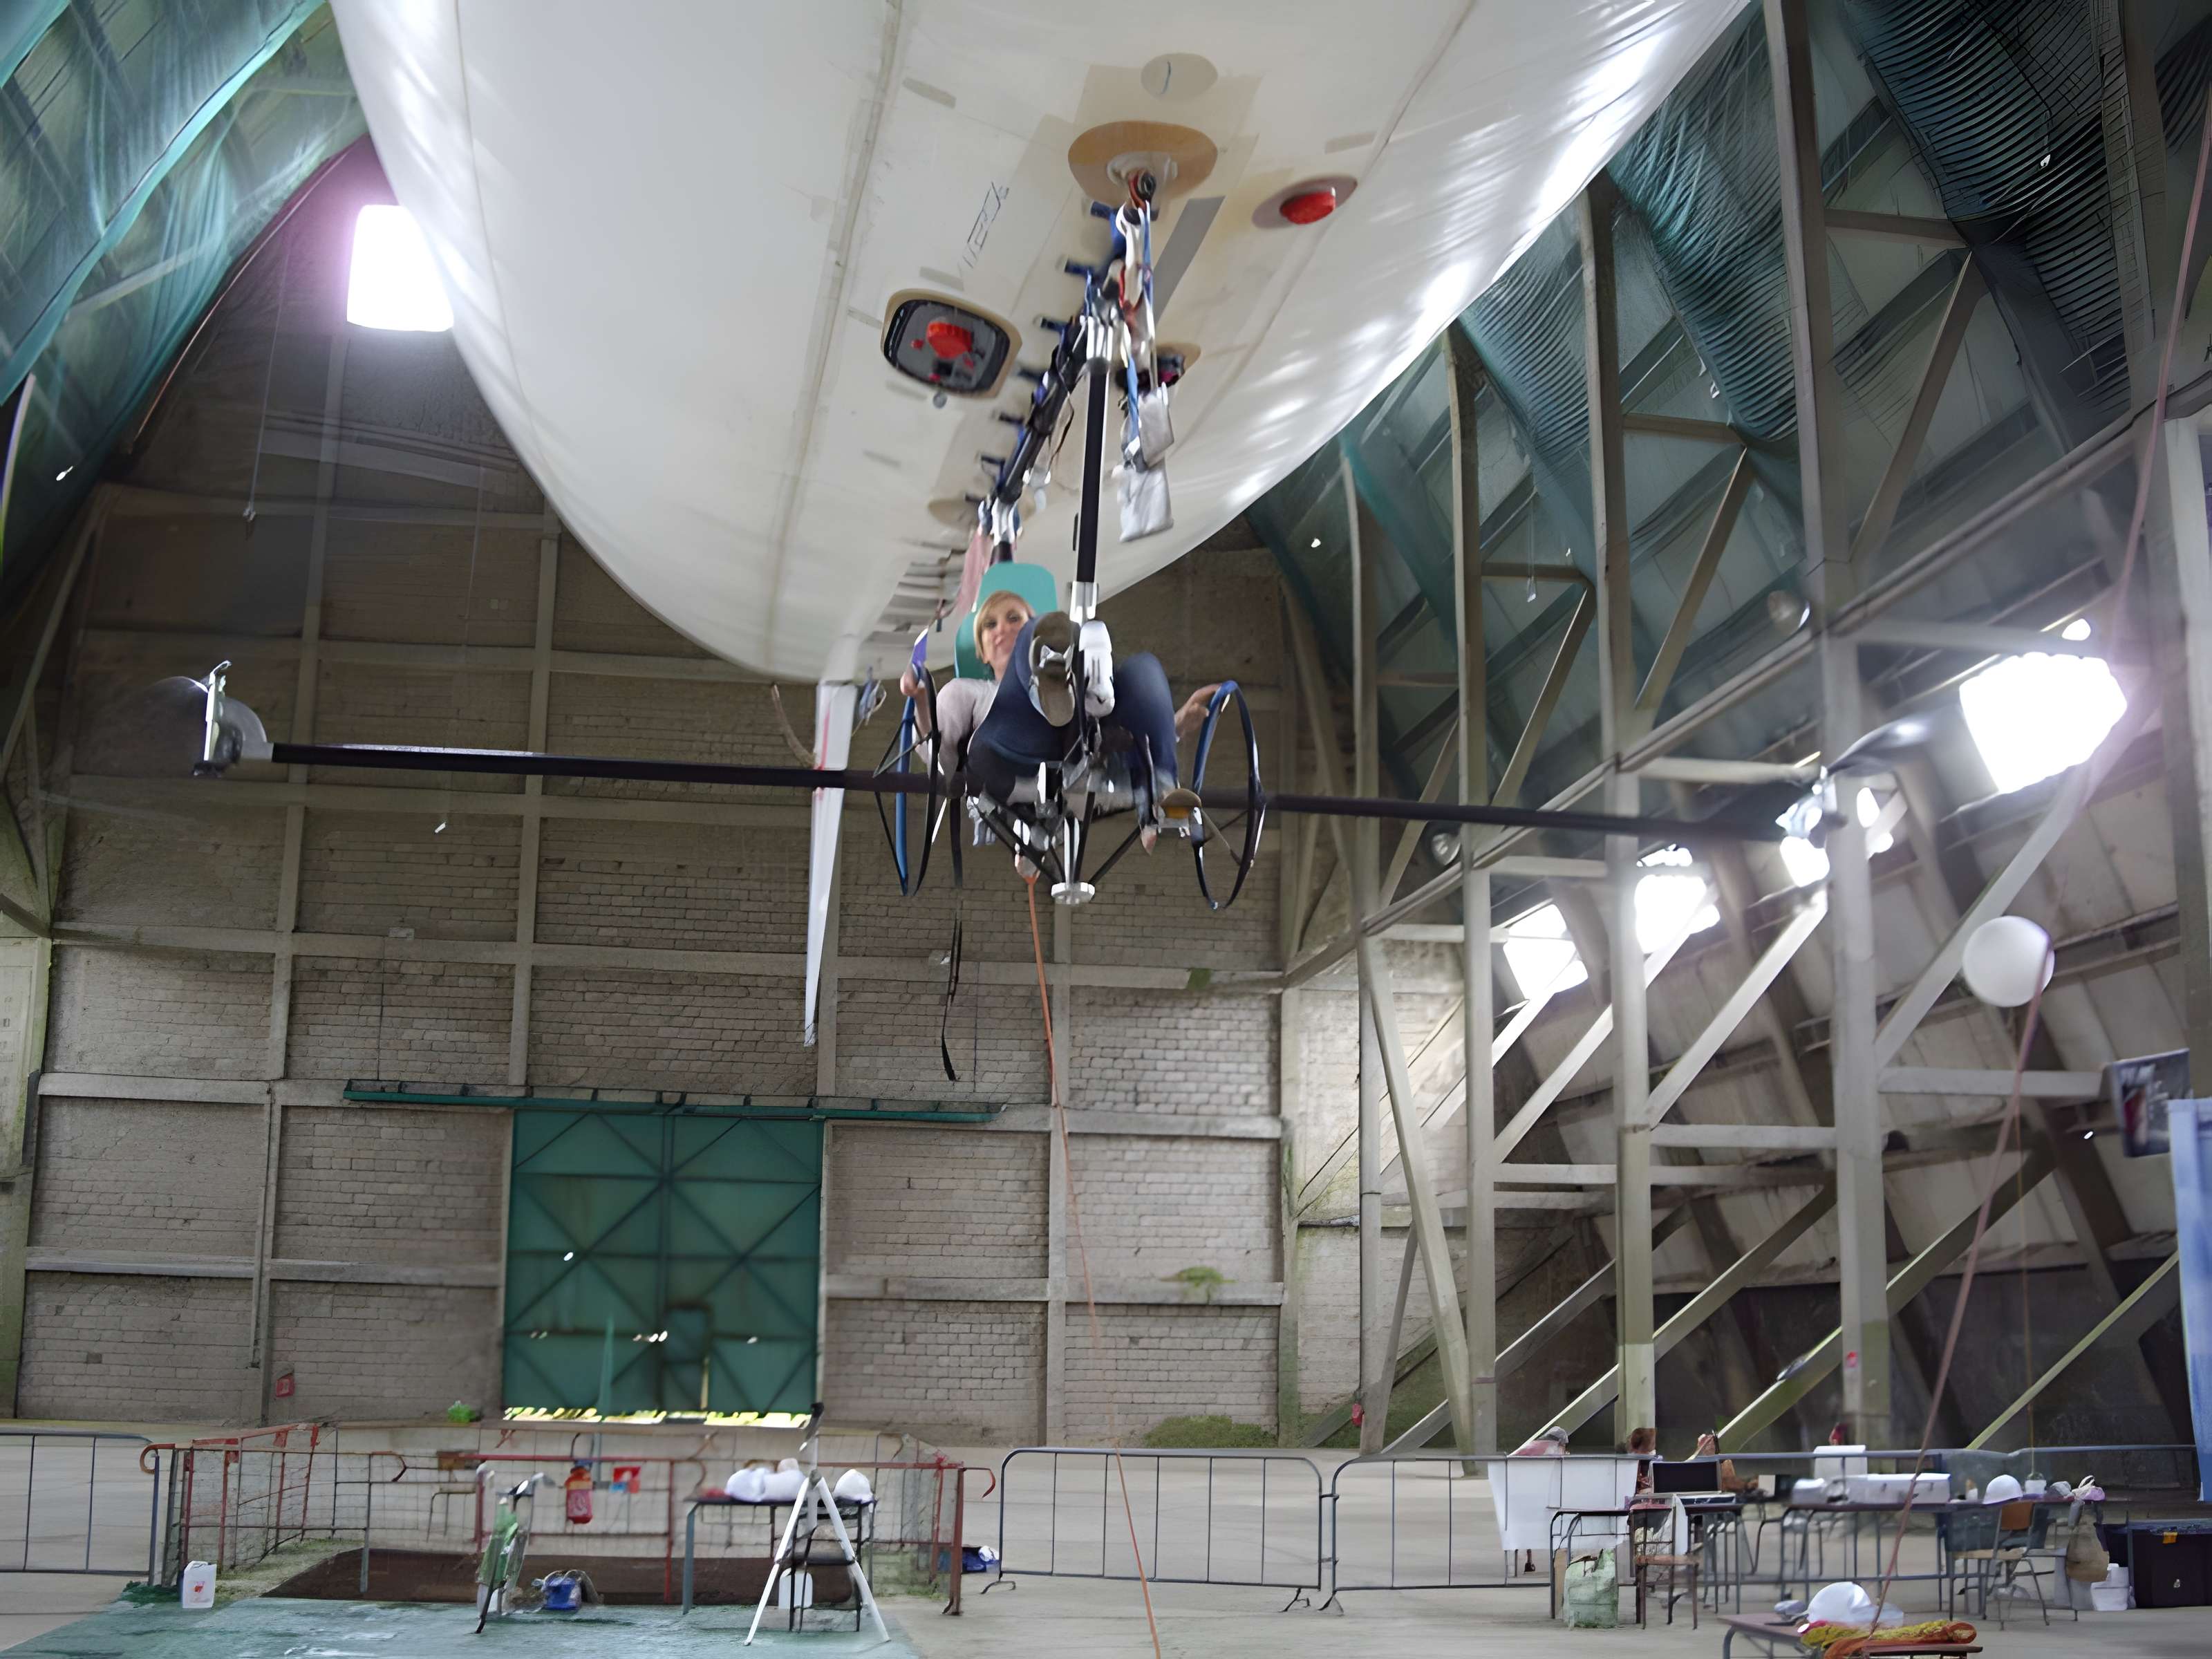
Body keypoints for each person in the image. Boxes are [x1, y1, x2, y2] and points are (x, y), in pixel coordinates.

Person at [901, 588, 1211, 854]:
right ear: (981, 650)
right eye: (990, 625)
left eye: (1014, 619)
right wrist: (920, 701)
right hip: (1010, 759)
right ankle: (1045, 696)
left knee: (1144, 667)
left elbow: (1126, 734)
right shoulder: (964, 693)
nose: (1002, 630)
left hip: (1079, 753)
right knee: (1036, 643)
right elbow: (941, 764)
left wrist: (1173, 728)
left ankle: (1161, 794)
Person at [1508, 1424, 1569, 1572]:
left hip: (1526, 1495)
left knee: (1529, 1527)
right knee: (1556, 1525)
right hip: (1546, 1495)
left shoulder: (1533, 1446)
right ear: (1560, 1442)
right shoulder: (1552, 1450)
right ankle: (1559, 1560)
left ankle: (1529, 1561)